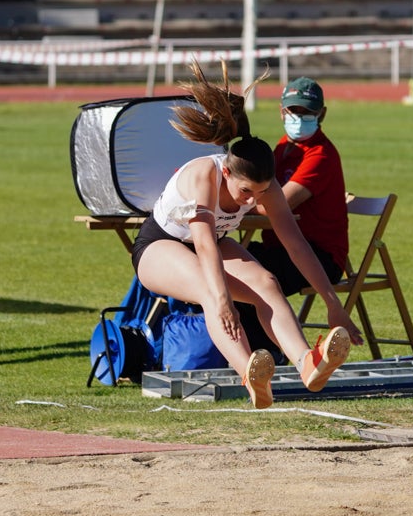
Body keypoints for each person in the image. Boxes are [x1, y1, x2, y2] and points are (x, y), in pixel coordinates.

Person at [131, 61, 362, 409]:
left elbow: (295, 243)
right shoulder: (203, 177)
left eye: (262, 191)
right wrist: (223, 300)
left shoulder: (264, 187)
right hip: (160, 246)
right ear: (226, 171)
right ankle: (249, 373)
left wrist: (333, 303)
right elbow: (206, 245)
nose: (254, 200)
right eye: (245, 192)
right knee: (210, 289)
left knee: (266, 284)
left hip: (210, 244)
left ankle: (307, 364)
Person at [240, 77, 348, 359]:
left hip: (319, 257)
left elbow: (275, 204)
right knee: (233, 262)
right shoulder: (282, 148)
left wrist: (241, 199)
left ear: (321, 114)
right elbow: (262, 198)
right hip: (283, 247)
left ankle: (267, 355)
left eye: (307, 112)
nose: (299, 118)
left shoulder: (320, 155)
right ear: (281, 112)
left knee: (249, 279)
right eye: (293, 111)